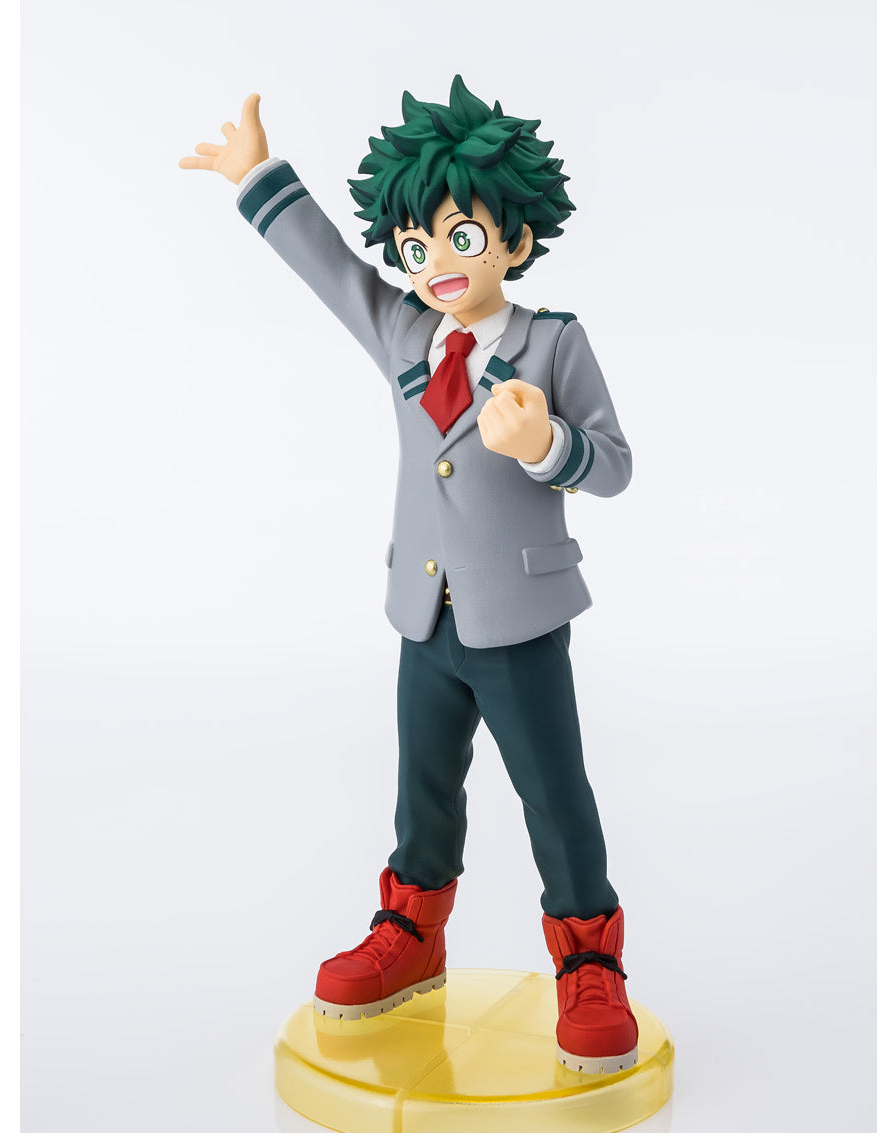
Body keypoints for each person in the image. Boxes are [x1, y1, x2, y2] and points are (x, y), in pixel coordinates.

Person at [181, 77, 638, 1073]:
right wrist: (256, 174)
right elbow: (326, 265)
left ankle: (589, 959)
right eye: (417, 246)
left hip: (519, 618)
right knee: (422, 787)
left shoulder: (553, 342)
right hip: (423, 614)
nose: (437, 264)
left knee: (553, 794)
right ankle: (412, 933)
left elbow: (613, 467)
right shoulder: (401, 329)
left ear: (516, 239)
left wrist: (546, 443)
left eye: (461, 238)